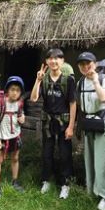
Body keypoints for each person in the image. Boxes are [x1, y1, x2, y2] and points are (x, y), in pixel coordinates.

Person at [30, 48, 76, 199]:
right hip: (48, 122)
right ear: (47, 62)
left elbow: (73, 104)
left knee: (65, 154)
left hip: (63, 122)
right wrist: (37, 80)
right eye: (50, 58)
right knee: (47, 152)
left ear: (62, 61)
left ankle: (65, 184)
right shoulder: (43, 79)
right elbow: (34, 98)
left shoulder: (68, 80)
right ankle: (46, 180)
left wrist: (70, 126)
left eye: (57, 58)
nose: (53, 61)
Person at [75, 51, 105, 210]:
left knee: (103, 162)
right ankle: (91, 191)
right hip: (89, 125)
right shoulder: (81, 83)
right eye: (82, 64)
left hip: (104, 126)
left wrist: (96, 82)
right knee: (90, 160)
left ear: (95, 64)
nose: (85, 67)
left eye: (88, 63)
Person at [0, 76, 26, 198]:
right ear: (7, 90)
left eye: (17, 90)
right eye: (12, 89)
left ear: (20, 92)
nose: (14, 92)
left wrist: (22, 120)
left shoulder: (20, 104)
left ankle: (15, 181)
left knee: (15, 158)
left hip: (15, 136)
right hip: (2, 136)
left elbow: (21, 119)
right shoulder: (1, 103)